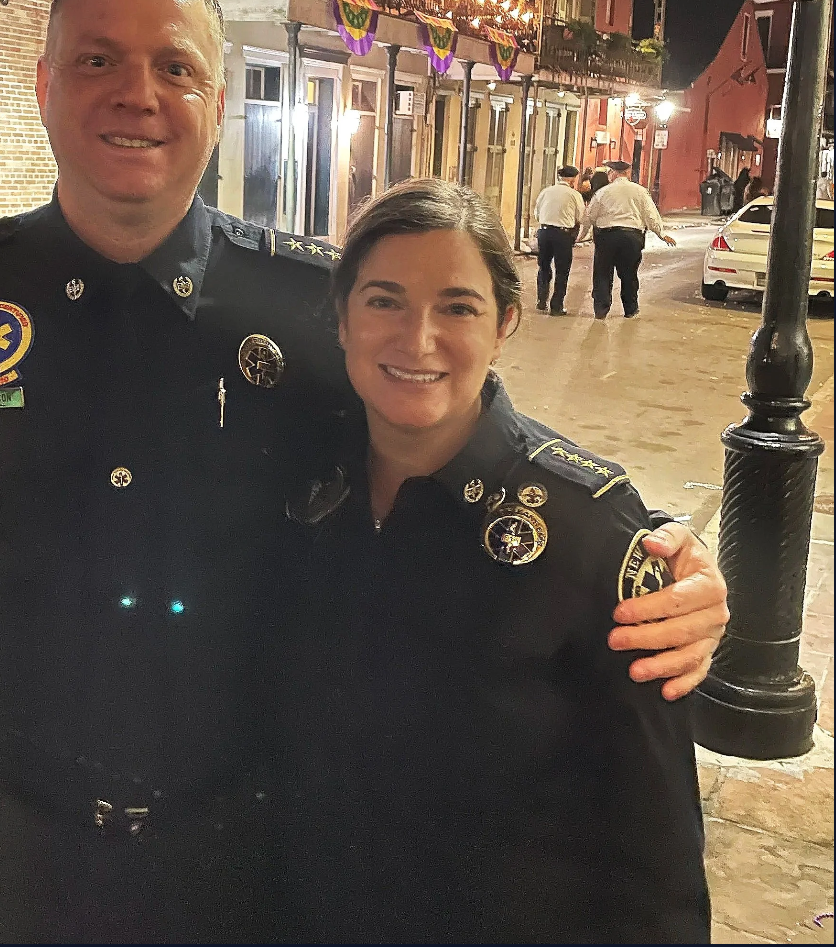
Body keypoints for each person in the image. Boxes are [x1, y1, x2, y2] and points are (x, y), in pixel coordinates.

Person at [0, 0, 728, 945]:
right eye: (99, 61)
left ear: (215, 98)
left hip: (255, 864)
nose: (138, 95)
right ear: (44, 84)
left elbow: (446, 437)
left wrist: (641, 564)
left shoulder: (303, 303)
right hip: (6, 854)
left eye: (175, 67)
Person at [281, 180, 711, 942]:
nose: (418, 340)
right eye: (383, 301)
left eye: (458, 307)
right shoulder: (297, 479)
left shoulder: (588, 526)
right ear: (341, 320)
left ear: (504, 323)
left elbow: (656, 855)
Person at [580, 158, 676, 319]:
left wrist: (581, 235)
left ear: (614, 174)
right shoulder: (640, 191)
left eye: (610, 172)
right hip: (632, 237)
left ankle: (601, 310)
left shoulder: (603, 192)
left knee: (603, 273)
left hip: (607, 237)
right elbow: (650, 215)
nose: (609, 175)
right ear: (627, 173)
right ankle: (630, 308)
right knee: (629, 274)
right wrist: (661, 233)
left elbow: (590, 216)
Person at [533, 165, 583, 315]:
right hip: (563, 235)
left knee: (543, 267)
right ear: (573, 179)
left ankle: (541, 301)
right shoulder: (574, 195)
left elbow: (537, 213)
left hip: (544, 232)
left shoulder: (546, 192)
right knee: (562, 270)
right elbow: (580, 217)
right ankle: (557, 306)